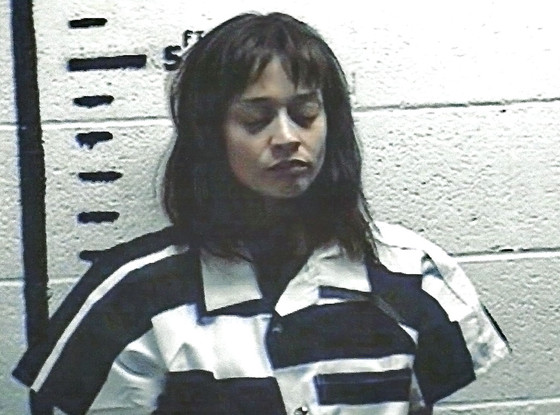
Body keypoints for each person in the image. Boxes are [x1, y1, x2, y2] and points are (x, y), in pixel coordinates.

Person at [13, 12, 509, 415]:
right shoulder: (132, 293)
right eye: (256, 118)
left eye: (306, 113)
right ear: (210, 134)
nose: (287, 137)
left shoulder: (413, 271)